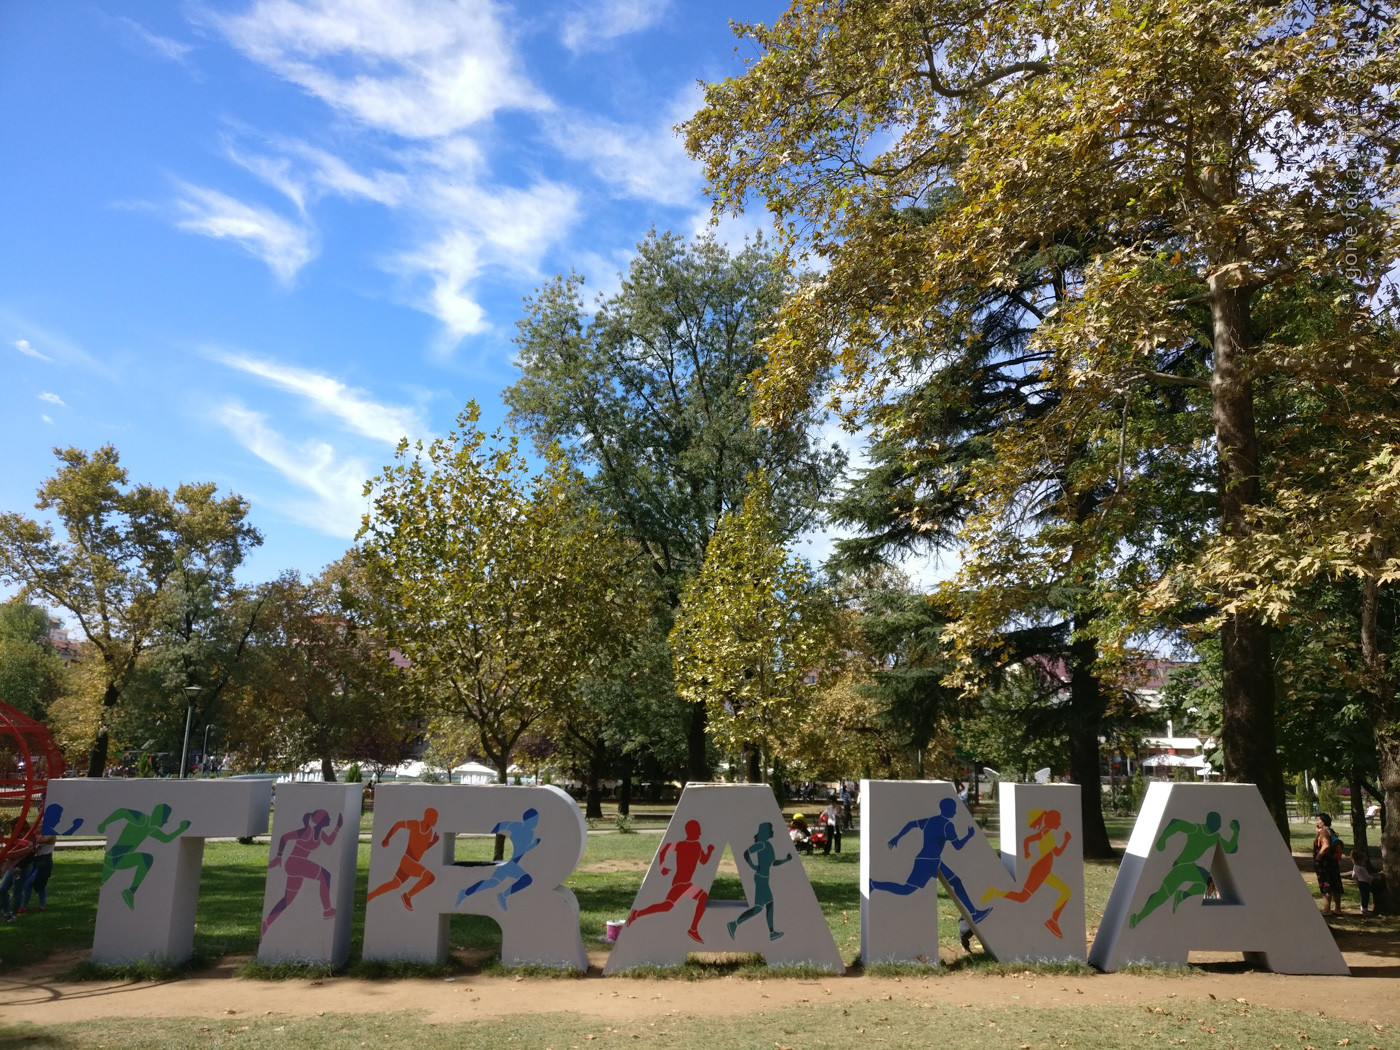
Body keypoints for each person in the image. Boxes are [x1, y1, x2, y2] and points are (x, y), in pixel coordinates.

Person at [869, 796, 991, 923]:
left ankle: (975, 913)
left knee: (956, 882)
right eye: (953, 809)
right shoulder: (947, 825)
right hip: (927, 862)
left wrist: (897, 837)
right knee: (907, 889)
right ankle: (873, 884)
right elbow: (958, 846)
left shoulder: (929, 820)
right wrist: (968, 836)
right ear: (947, 809)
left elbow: (911, 824)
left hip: (932, 860)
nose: (955, 812)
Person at [1128, 810, 1239, 929]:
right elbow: (1175, 823)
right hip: (1181, 868)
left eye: (1220, 822)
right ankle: (1138, 918)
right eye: (1218, 822)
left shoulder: (1215, 837)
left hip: (1190, 868)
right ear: (1210, 822)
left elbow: (1230, 849)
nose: (1220, 825)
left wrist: (1236, 832)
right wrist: (1162, 839)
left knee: (1209, 886)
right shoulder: (1197, 829)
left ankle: (1182, 895)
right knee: (1161, 896)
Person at [981, 807, 1073, 938]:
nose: (1060, 823)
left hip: (1045, 871)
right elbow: (1057, 853)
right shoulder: (1047, 834)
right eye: (1058, 821)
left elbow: (1027, 840)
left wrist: (1027, 852)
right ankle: (995, 892)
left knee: (1066, 891)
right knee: (1023, 897)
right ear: (1052, 822)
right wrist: (1066, 840)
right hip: (1040, 871)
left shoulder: (1044, 832)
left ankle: (1053, 921)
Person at [626, 818, 715, 942]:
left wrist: (709, 851)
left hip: (686, 884)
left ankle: (693, 929)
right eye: (698, 831)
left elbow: (703, 861)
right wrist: (662, 867)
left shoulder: (696, 846)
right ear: (692, 832)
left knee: (700, 897)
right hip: (679, 884)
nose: (700, 834)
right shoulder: (682, 845)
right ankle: (637, 913)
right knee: (667, 906)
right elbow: (664, 848)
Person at [261, 809, 345, 936]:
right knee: (325, 875)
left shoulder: (320, 833)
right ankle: (327, 910)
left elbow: (329, 841)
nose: (330, 819)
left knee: (287, 900)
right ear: (321, 820)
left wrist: (338, 826)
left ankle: (266, 924)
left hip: (297, 866)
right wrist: (279, 856)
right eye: (327, 817)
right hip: (295, 863)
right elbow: (285, 837)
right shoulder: (307, 832)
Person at [97, 804, 192, 910]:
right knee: (102, 884)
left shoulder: (150, 828)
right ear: (159, 815)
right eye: (165, 818)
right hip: (113, 858)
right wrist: (103, 824)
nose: (166, 821)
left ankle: (130, 891)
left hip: (121, 859)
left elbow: (166, 839)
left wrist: (181, 829)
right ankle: (124, 896)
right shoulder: (142, 819)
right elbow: (122, 812)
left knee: (146, 859)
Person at [456, 808, 541, 911]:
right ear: (527, 820)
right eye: (534, 820)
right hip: (507, 859)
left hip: (510, 862)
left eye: (537, 820)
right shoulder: (518, 826)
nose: (536, 822)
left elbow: (520, 853)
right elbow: (500, 825)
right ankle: (503, 895)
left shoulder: (531, 834)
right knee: (526, 879)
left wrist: (530, 847)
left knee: (492, 882)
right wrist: (490, 839)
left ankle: (465, 893)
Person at [728, 822, 793, 941]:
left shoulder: (768, 845)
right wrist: (753, 866)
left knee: (769, 904)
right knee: (758, 908)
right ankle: (734, 924)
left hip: (764, 879)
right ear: (765, 831)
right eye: (770, 829)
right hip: (760, 879)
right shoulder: (762, 844)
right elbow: (746, 853)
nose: (773, 831)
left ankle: (772, 932)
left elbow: (773, 863)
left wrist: (786, 860)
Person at [367, 807, 440, 911]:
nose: (436, 820)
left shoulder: (430, 832)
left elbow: (422, 848)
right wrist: (387, 838)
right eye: (435, 818)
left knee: (395, 884)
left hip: (412, 863)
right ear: (428, 817)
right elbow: (398, 824)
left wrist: (433, 842)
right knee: (429, 877)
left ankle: (371, 895)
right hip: (408, 861)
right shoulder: (416, 824)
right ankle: (407, 896)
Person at [1313, 812, 1344, 916]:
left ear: (1324, 821)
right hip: (1332, 862)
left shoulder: (1324, 832)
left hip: (1325, 863)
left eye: (1318, 820)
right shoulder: (1331, 831)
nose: (1317, 822)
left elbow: (1325, 845)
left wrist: (1318, 857)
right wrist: (1317, 833)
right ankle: (1338, 909)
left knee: (1326, 884)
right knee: (1335, 883)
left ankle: (1326, 910)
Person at [1348, 847, 1375, 916]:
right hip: (1365, 883)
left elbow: (1353, 875)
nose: (1364, 862)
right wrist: (1374, 878)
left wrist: (1357, 879)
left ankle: (1362, 908)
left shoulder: (1355, 867)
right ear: (1360, 861)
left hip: (1360, 882)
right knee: (1366, 896)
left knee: (1363, 895)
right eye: (1363, 861)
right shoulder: (1362, 868)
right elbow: (1367, 877)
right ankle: (1364, 909)